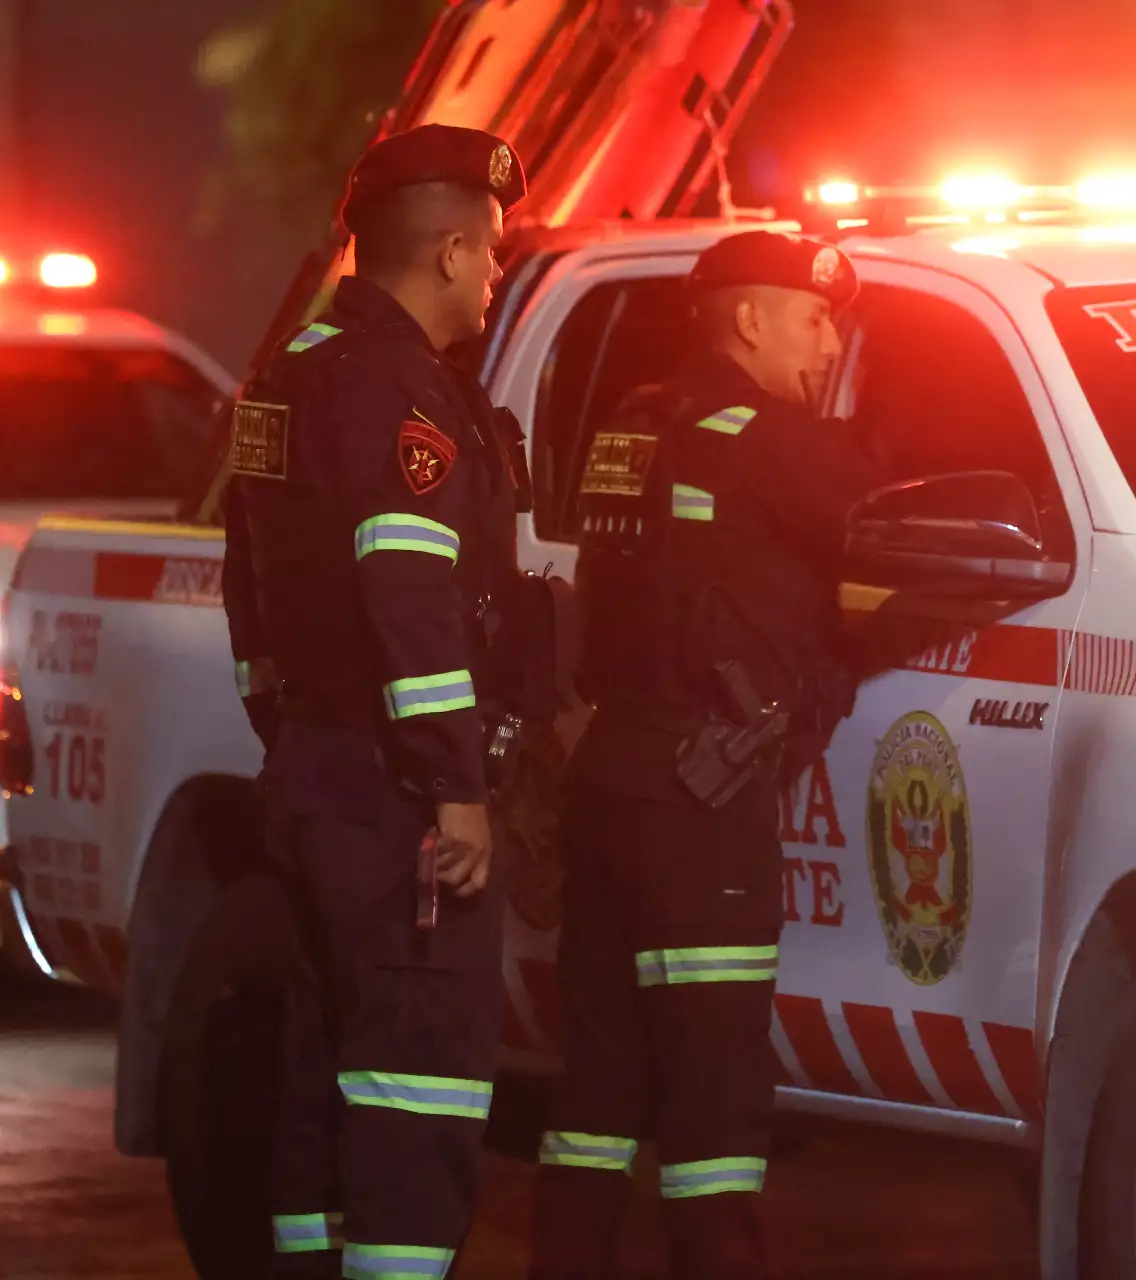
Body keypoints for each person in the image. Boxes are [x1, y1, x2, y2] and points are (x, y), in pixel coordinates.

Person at [527, 230, 877, 1280]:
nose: (828, 344)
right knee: (713, 1102)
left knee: (596, 1086)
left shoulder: (633, 424)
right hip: (697, 808)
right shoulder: (768, 439)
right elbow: (882, 524)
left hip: (609, 780)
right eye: (814, 320)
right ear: (749, 318)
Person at [221, 123, 528, 1280]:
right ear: (448, 252)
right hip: (393, 797)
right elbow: (409, 598)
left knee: (324, 1073)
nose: (496, 274)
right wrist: (455, 788)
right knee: (415, 1082)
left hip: (311, 772)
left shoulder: (290, 372)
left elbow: (249, 587)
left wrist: (286, 733)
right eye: (491, 251)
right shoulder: (402, 395)